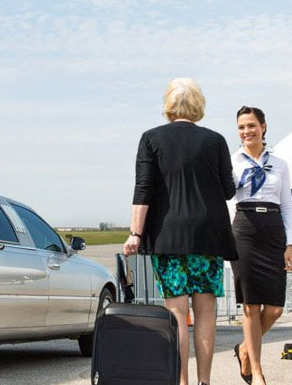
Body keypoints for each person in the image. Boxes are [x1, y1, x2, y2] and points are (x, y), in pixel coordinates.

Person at [123, 78, 237, 385]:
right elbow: (229, 190)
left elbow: (144, 188)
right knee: (206, 311)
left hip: (168, 237)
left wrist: (135, 233)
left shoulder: (150, 138)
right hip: (208, 237)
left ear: (168, 105)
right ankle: (205, 382)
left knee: (176, 314)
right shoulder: (216, 141)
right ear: (198, 104)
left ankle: (181, 381)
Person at [230, 106, 292, 385]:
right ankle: (256, 371)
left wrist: (289, 243)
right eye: (242, 127)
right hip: (244, 229)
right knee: (251, 307)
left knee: (275, 309)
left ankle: (245, 348)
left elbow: (287, 205)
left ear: (264, 127)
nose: (247, 132)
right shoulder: (232, 162)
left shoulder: (280, 164)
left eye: (252, 126)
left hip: (273, 231)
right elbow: (227, 199)